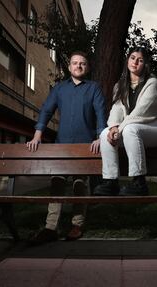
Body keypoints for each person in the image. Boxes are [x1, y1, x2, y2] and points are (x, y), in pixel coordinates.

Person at [26, 51, 106, 244]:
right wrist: (37, 135)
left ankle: (76, 225)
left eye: (83, 63)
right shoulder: (59, 89)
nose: (78, 66)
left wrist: (100, 137)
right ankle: (50, 227)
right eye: (75, 63)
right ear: (69, 67)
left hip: (85, 146)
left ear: (87, 68)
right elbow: (46, 110)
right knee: (57, 183)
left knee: (80, 185)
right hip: (61, 146)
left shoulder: (94, 88)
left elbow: (101, 112)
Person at [93, 47, 157, 196]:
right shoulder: (120, 85)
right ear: (127, 60)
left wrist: (119, 129)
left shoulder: (152, 83)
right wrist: (114, 127)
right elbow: (116, 110)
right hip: (131, 130)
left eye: (140, 60)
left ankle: (139, 182)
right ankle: (111, 182)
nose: (135, 62)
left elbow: (142, 112)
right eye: (133, 57)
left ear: (145, 65)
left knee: (130, 129)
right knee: (104, 133)